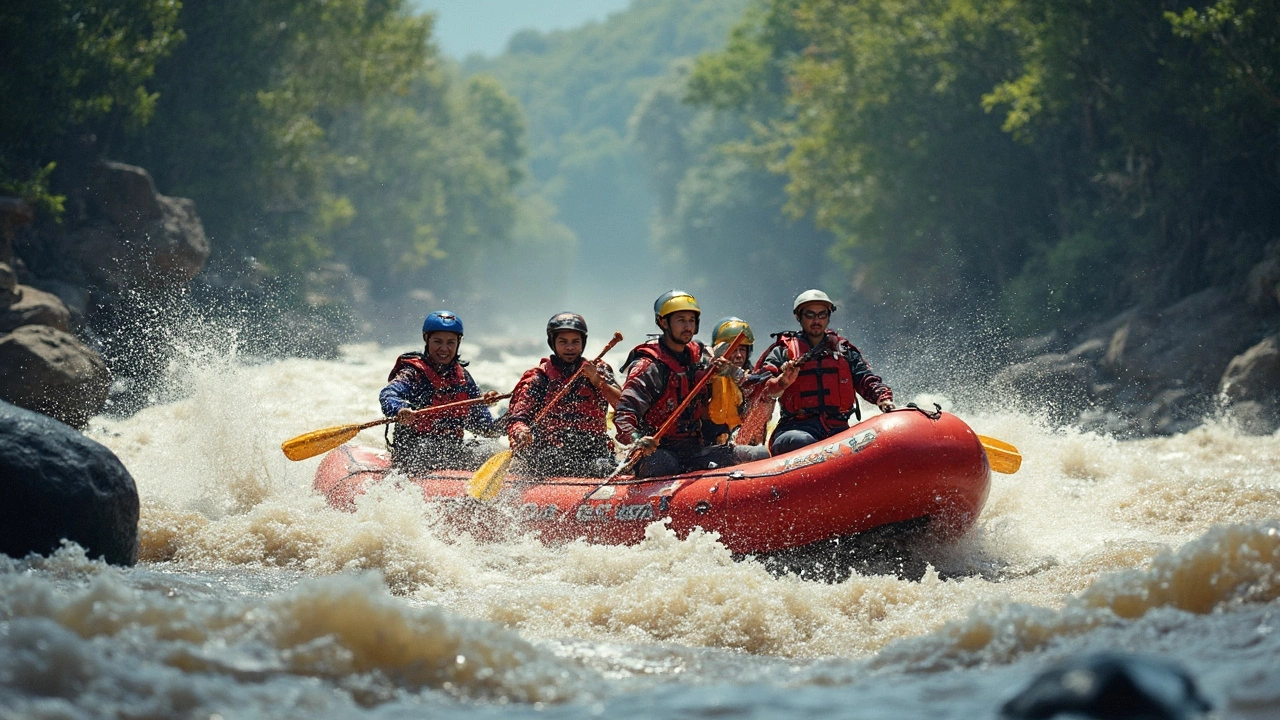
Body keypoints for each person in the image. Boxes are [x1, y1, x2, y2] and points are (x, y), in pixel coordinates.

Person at [754, 289, 895, 456]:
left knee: (874, 443)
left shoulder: (844, 350)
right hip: (795, 429)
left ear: (828, 316)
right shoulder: (782, 352)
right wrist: (783, 381)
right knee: (802, 442)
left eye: (822, 315)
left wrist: (883, 399)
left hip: (838, 429)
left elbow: (865, 378)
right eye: (810, 315)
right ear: (798, 317)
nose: (816, 320)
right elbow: (762, 389)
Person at [614, 290, 736, 477]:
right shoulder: (649, 367)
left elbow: (753, 387)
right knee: (664, 464)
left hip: (693, 449)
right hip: (656, 451)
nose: (687, 326)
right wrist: (637, 440)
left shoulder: (702, 359)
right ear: (663, 322)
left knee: (747, 456)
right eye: (681, 320)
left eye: (691, 320)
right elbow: (624, 414)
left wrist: (730, 372)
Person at [379, 310, 502, 472]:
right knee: (428, 450)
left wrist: (513, 419)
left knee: (494, 450)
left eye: (450, 342)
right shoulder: (413, 373)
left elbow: (486, 428)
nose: (444, 348)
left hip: (452, 449)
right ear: (426, 338)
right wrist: (400, 409)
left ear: (459, 342)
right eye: (438, 341)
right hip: (416, 448)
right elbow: (388, 394)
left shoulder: (463, 377)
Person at [506, 312, 621, 477]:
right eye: (563, 342)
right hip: (550, 452)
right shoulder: (539, 377)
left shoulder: (599, 370)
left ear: (583, 343)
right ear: (552, 343)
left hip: (593, 451)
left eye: (575, 342)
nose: (570, 347)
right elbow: (518, 418)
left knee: (602, 466)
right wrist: (521, 432)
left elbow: (624, 406)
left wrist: (597, 381)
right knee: (553, 459)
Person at [705, 317, 771, 462]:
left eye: (742, 349)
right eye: (733, 350)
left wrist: (732, 371)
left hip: (744, 445)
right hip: (713, 449)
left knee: (761, 453)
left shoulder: (754, 377)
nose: (739, 355)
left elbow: (757, 386)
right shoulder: (706, 375)